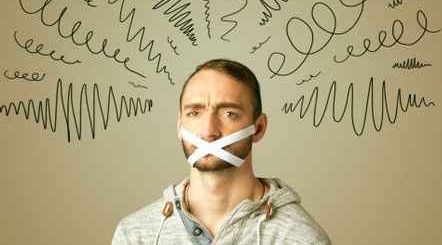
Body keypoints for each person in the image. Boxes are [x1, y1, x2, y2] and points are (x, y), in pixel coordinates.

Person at [112, 58, 331, 244]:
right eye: (194, 113)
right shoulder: (135, 235)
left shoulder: (300, 238)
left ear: (259, 128)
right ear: (180, 126)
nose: (208, 132)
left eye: (228, 114)